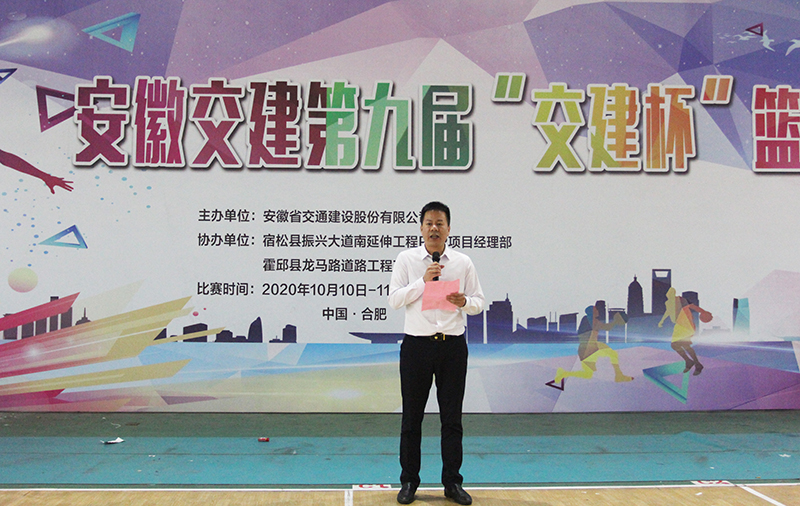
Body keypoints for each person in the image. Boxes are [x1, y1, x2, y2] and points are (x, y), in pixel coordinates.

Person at [388, 201, 484, 505]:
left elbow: (479, 302)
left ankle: (452, 483)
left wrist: (463, 301)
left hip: (452, 347)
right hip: (417, 347)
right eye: (429, 223)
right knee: (411, 418)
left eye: (439, 223)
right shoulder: (406, 259)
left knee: (452, 419)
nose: (434, 228)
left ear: (448, 229)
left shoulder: (463, 262)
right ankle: (409, 482)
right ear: (421, 228)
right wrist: (423, 282)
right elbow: (394, 299)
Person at [546, 303, 633, 390]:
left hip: (590, 347)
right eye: (595, 309)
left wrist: (615, 321)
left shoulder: (588, 320)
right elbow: (606, 327)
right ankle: (564, 373)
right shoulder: (591, 321)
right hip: (589, 348)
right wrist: (615, 321)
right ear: (592, 312)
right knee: (589, 373)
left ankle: (618, 375)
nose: (597, 311)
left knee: (609, 357)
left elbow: (604, 328)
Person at [658, 287, 709, 375]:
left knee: (685, 344)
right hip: (678, 326)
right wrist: (662, 321)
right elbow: (668, 311)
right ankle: (689, 361)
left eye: (672, 292)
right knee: (674, 345)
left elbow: (693, 306)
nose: (669, 294)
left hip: (686, 324)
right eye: (669, 292)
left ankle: (697, 364)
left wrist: (703, 312)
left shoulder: (681, 300)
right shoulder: (668, 303)